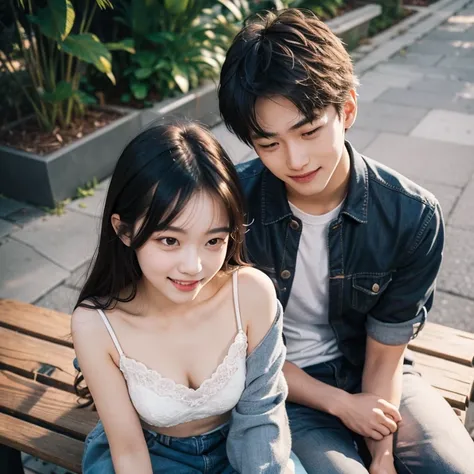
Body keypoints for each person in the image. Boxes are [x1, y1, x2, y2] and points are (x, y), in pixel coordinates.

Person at [218, 8, 474, 474]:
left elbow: (385, 353)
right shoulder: (231, 207)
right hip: (280, 383)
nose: (295, 159)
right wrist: (338, 404)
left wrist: (381, 454)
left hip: (372, 370)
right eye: (269, 144)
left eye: (309, 130)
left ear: (348, 110)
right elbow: (240, 352)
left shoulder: (412, 216)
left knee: (454, 466)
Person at [71, 120, 294, 473]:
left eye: (214, 240)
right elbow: (128, 450)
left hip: (241, 442)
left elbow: (261, 416)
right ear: (124, 230)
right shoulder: (96, 324)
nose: (193, 266)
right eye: (169, 241)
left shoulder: (250, 294)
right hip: (150, 454)